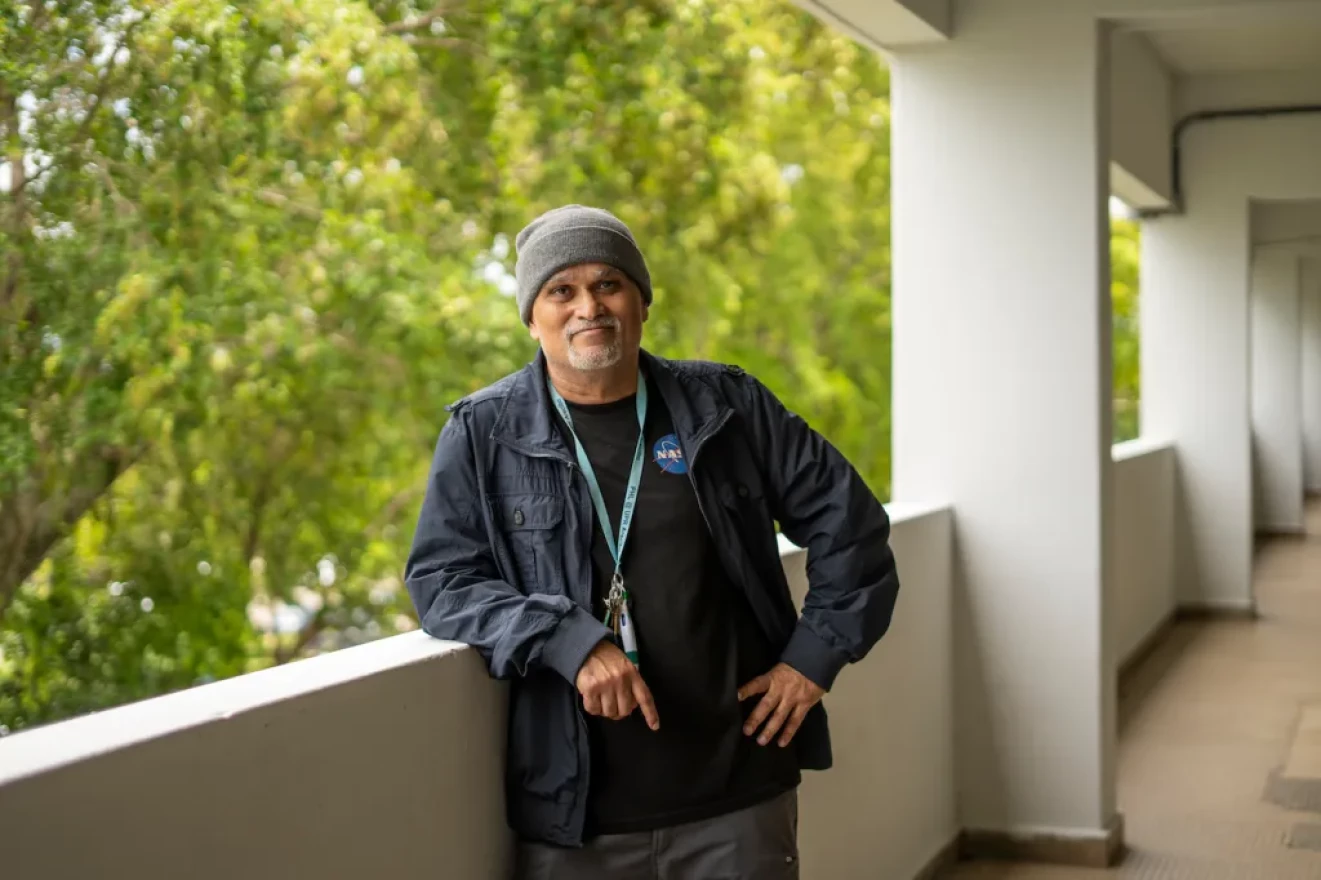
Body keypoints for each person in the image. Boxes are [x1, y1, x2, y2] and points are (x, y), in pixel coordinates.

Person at [405, 205, 899, 879]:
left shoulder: (726, 406)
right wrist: (567, 641)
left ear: (641, 300)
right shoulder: (482, 434)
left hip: (738, 791)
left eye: (608, 284)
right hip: (576, 815)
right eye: (562, 290)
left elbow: (852, 527)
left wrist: (812, 660)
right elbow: (442, 583)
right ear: (532, 316)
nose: (589, 307)